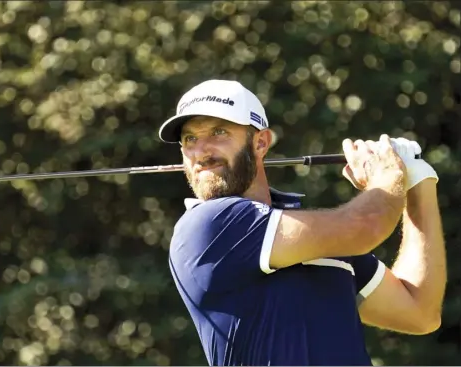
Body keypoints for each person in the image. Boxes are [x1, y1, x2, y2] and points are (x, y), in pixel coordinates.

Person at [158, 79, 447, 366]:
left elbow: (420, 311)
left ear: (260, 142)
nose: (201, 151)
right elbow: (367, 225)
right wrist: (388, 172)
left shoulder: (318, 241)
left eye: (218, 132)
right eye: (189, 139)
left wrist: (418, 182)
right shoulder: (210, 225)